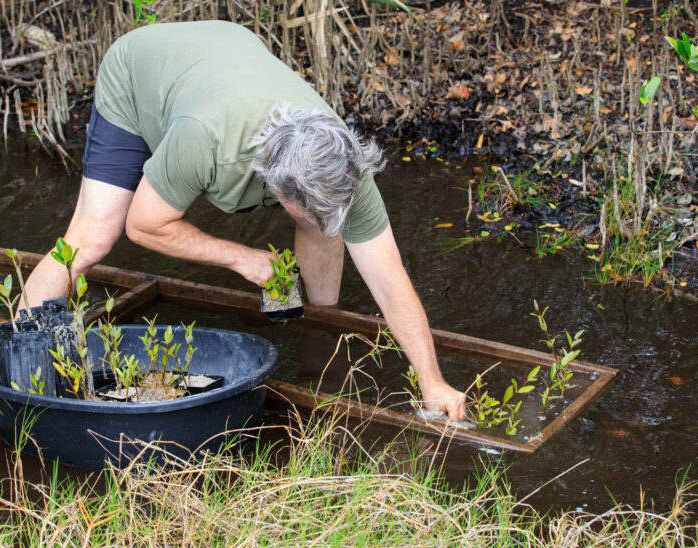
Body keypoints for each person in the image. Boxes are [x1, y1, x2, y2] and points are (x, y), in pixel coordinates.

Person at [23, 20, 467, 421]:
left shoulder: (344, 165)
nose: (334, 217)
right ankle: (25, 362)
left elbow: (390, 278)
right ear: (281, 194)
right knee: (93, 237)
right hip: (141, 75)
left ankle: (319, 330)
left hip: (228, 54)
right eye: (309, 209)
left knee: (324, 225)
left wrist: (432, 379)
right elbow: (144, 226)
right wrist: (242, 259)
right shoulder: (208, 142)